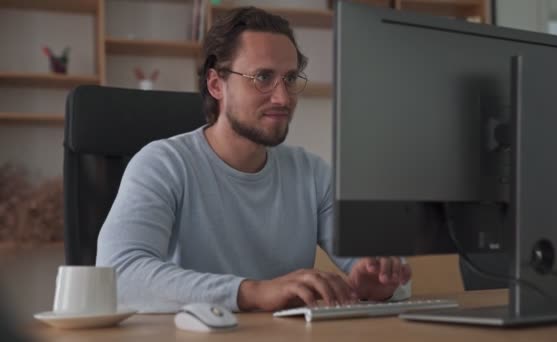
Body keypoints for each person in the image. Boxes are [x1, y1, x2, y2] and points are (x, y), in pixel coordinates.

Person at [96, 6, 411, 313]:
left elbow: (381, 269)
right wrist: (253, 292)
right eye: (263, 77)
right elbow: (119, 275)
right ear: (216, 84)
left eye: (289, 79)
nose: (283, 98)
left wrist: (382, 281)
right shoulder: (162, 164)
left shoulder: (312, 173)